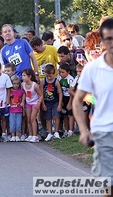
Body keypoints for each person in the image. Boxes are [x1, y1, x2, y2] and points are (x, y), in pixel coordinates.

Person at [73, 18, 113, 197]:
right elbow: (77, 100)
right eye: (109, 39)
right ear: (102, 41)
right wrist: (83, 130)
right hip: (103, 132)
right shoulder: (92, 69)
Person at [40, 64, 62, 141]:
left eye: (50, 76)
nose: (49, 78)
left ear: (54, 74)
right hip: (47, 102)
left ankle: (56, 132)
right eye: (47, 76)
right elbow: (41, 93)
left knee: (57, 116)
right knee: (48, 118)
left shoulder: (56, 82)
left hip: (55, 101)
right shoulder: (43, 81)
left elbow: (60, 93)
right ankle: (49, 133)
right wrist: (42, 103)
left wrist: (59, 104)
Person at [21, 68, 43, 143]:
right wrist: (23, 102)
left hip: (35, 103)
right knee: (28, 119)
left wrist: (39, 103)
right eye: (22, 75)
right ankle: (30, 134)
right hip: (28, 102)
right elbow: (24, 93)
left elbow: (41, 95)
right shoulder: (23, 84)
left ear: (29, 76)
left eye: (24, 75)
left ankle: (35, 135)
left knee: (33, 118)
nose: (23, 77)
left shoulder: (35, 85)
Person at [58, 62, 75, 137]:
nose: (61, 74)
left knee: (70, 115)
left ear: (68, 72)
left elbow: (71, 92)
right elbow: (59, 91)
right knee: (64, 114)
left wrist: (70, 103)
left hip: (69, 97)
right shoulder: (59, 78)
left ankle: (71, 130)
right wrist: (60, 101)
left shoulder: (70, 79)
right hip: (63, 97)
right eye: (60, 72)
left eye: (63, 72)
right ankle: (66, 130)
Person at [9, 75, 25, 142]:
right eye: (14, 83)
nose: (16, 85)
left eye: (17, 84)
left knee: (18, 123)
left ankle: (17, 135)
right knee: (12, 123)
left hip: (19, 110)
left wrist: (22, 104)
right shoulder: (9, 91)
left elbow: (23, 99)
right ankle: (13, 135)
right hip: (11, 110)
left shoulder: (21, 91)